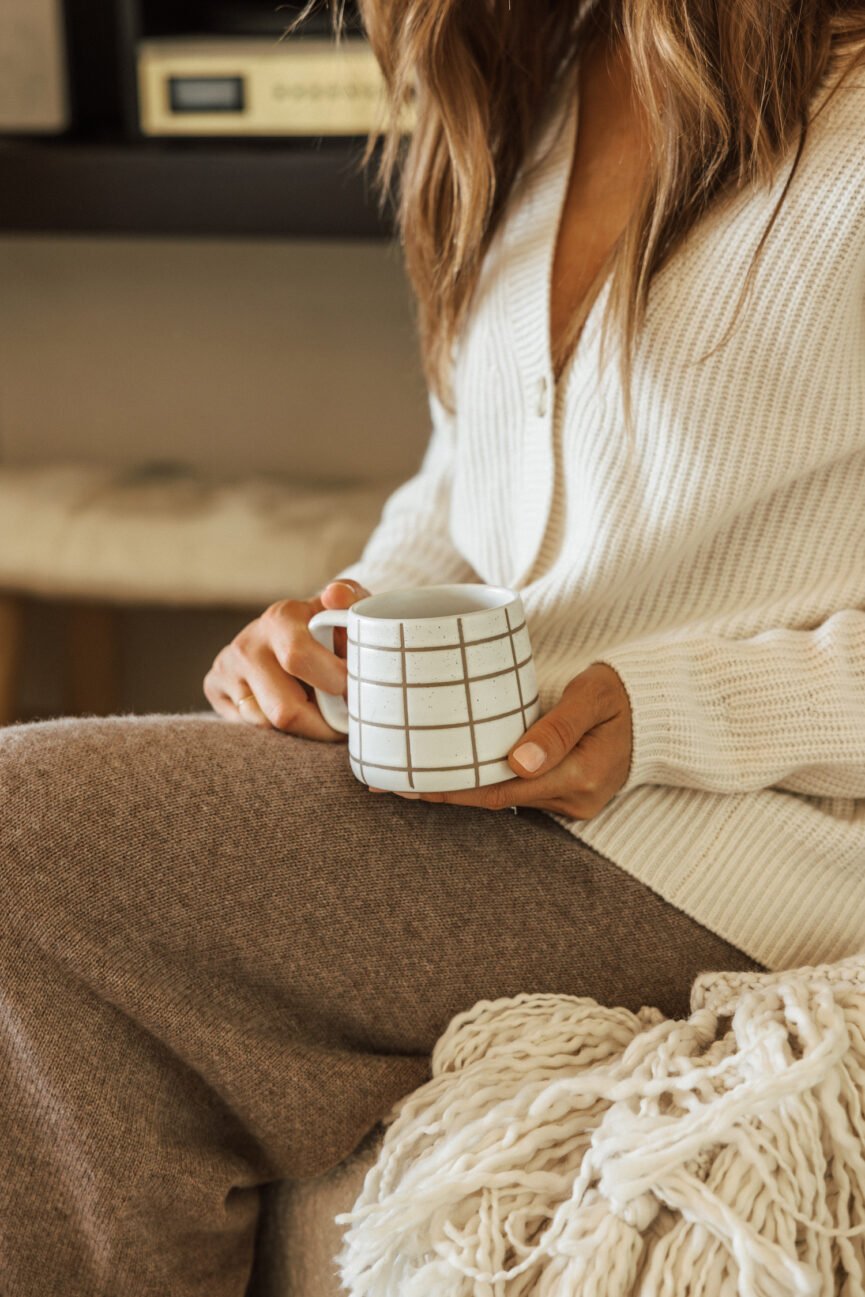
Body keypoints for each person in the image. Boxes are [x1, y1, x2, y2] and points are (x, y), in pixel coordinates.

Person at [3, 1, 865, 1293]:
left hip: (758, 832)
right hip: (512, 796)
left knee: (26, 832)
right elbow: (473, 488)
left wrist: (682, 707)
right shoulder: (554, 73)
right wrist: (345, 623)